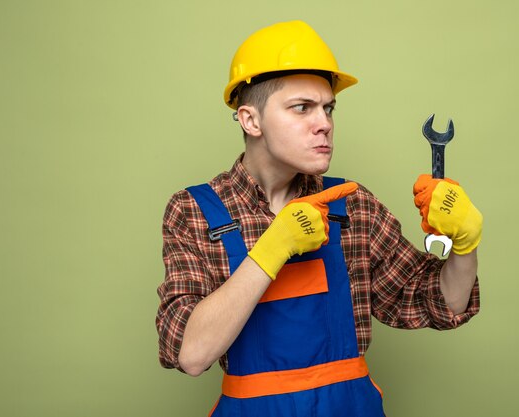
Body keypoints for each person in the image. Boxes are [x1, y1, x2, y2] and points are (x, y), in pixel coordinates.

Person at [156, 20, 482, 416]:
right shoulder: (195, 212)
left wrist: (465, 246)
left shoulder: (351, 206)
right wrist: (272, 248)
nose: (324, 123)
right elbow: (191, 354)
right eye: (301, 108)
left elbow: (438, 303)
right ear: (251, 120)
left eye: (328, 108)